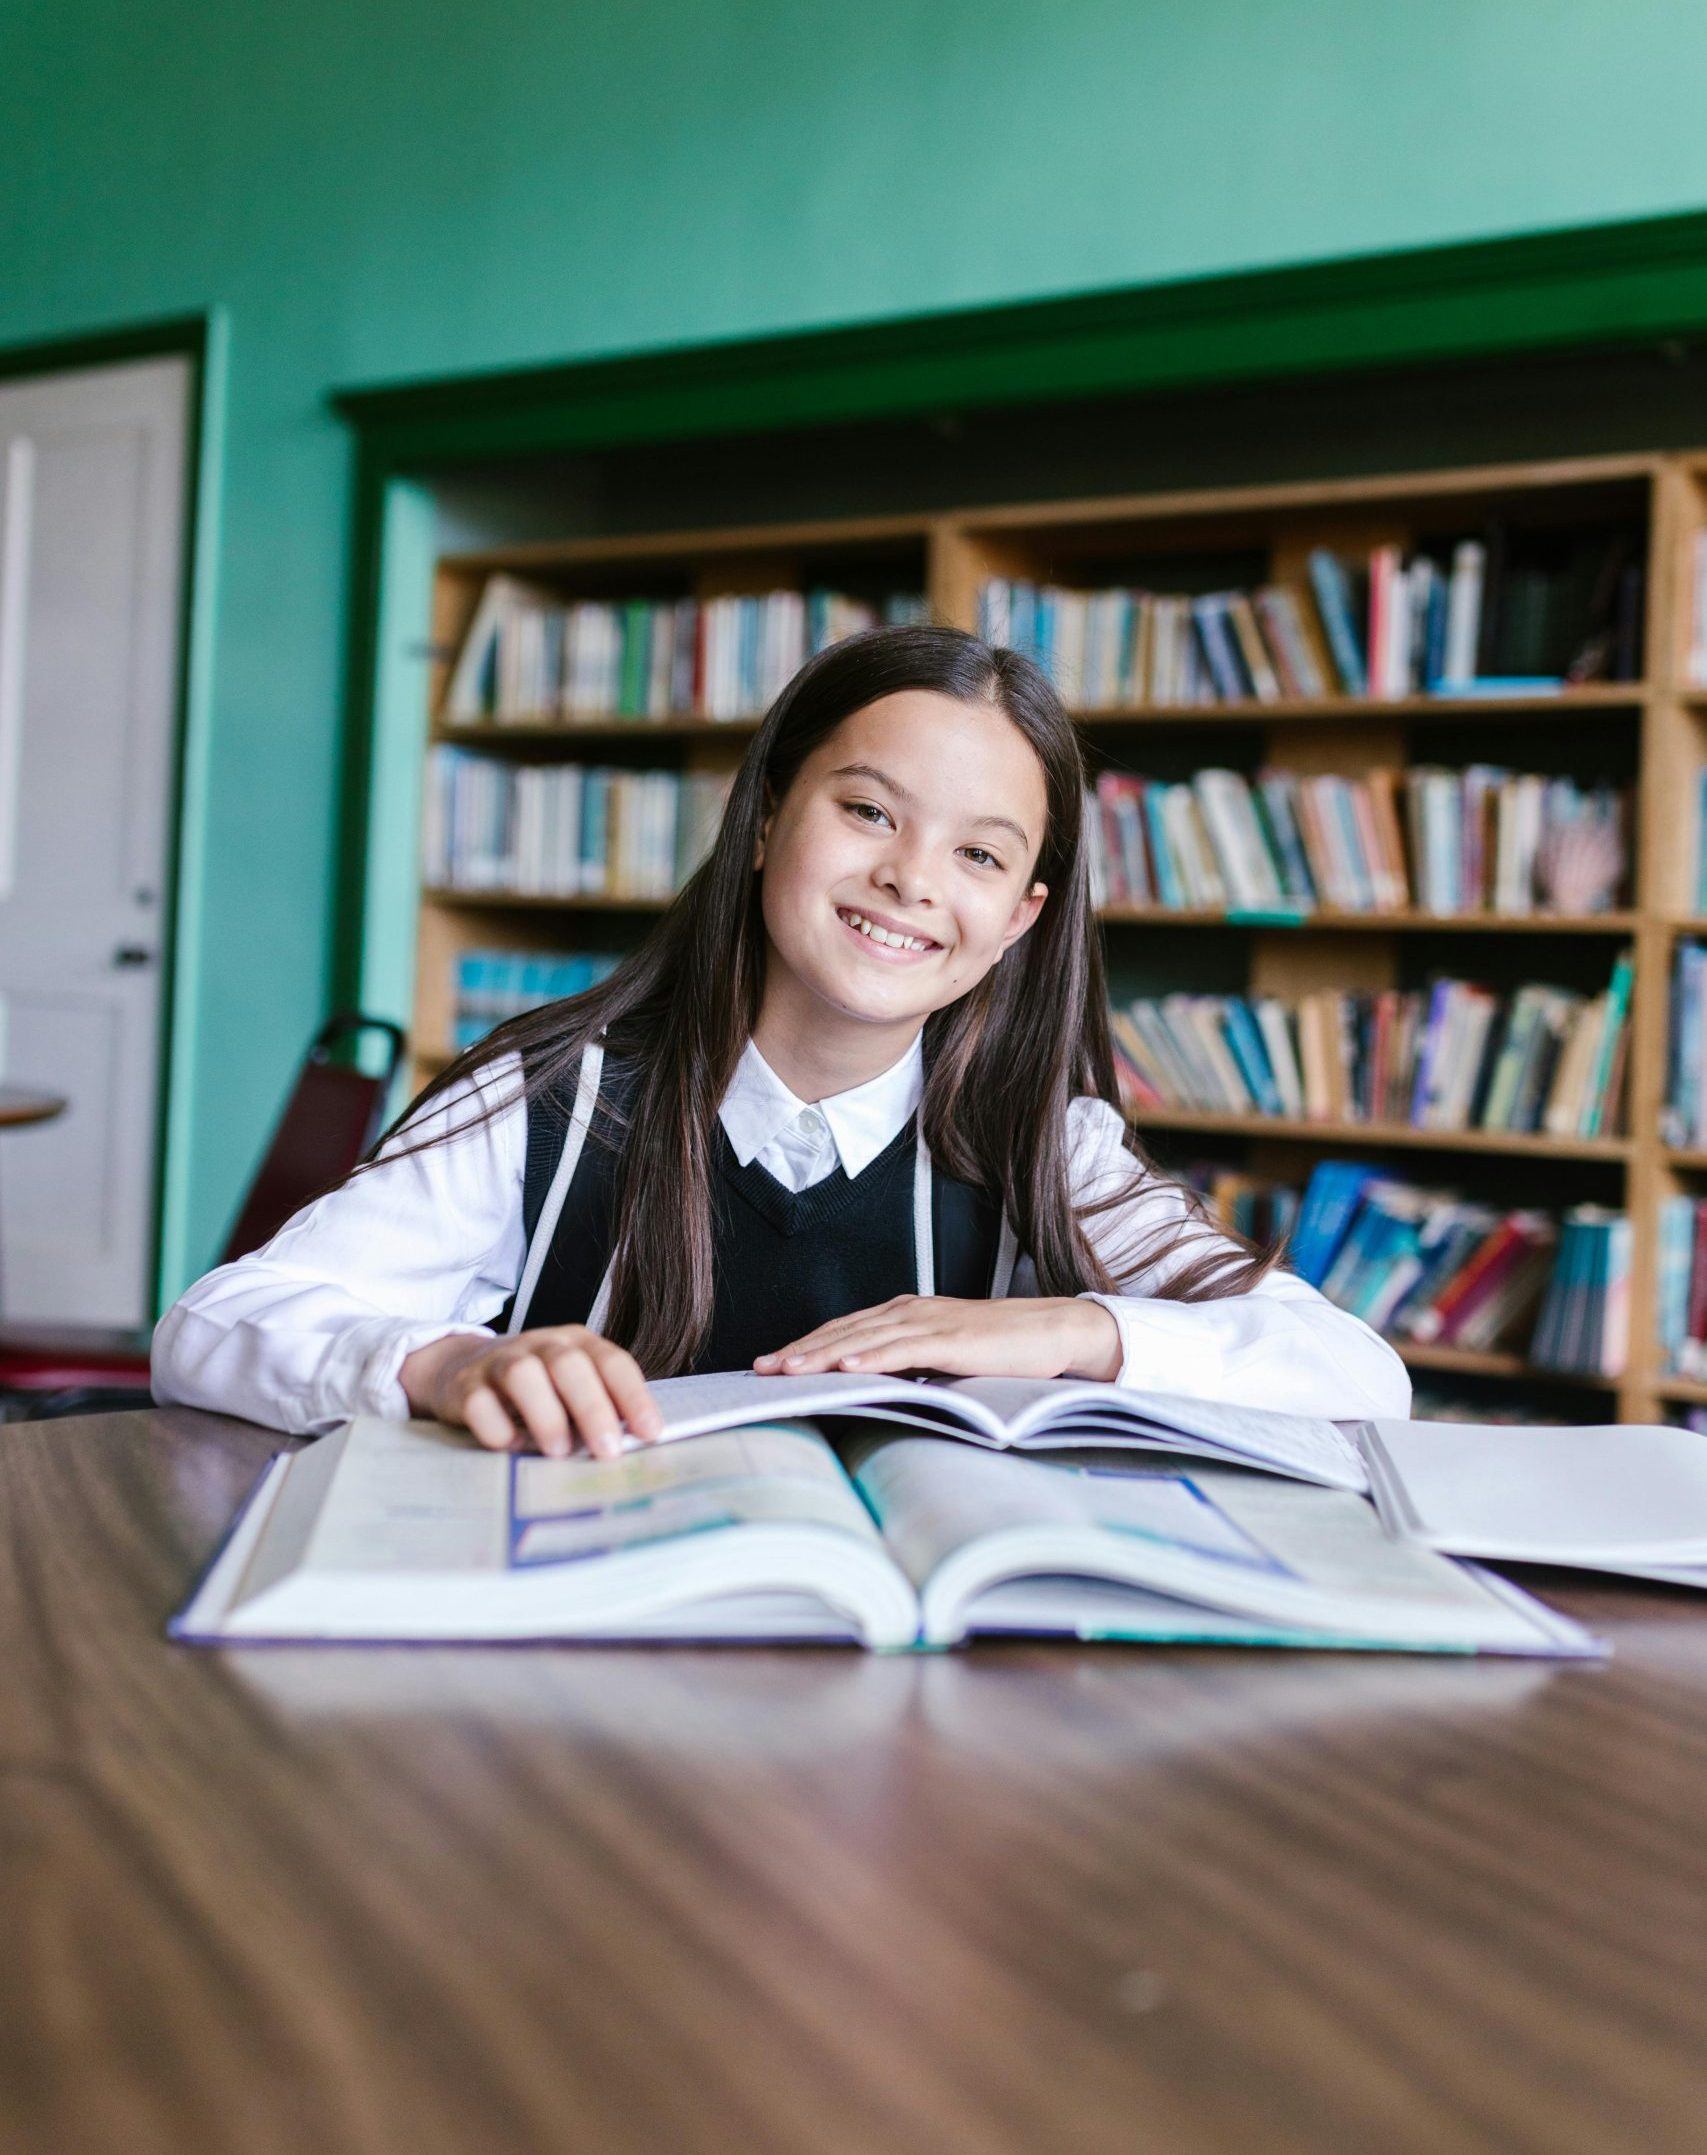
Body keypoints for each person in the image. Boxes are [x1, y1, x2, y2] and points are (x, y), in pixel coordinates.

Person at [152, 625, 1409, 1456]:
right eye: (867, 810)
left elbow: (1356, 1373)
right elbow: (213, 1327)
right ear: (763, 822)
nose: (914, 879)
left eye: (979, 852)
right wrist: (438, 1365)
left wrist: (1068, 1330)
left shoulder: (1046, 1144)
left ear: (1021, 920)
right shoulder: (548, 1097)